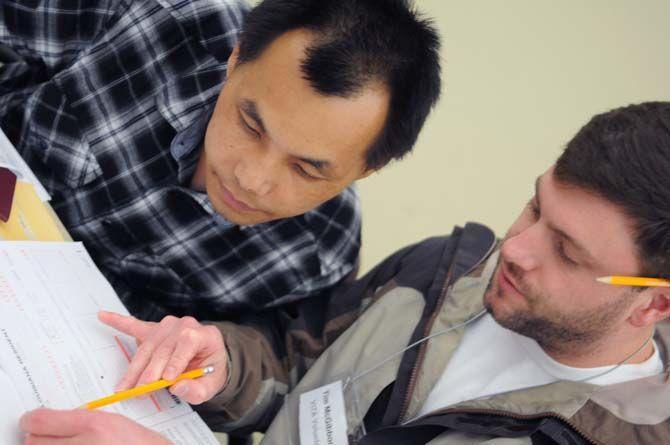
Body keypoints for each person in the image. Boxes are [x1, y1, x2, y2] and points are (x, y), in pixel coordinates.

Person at [24, 102, 670, 443]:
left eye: (568, 252)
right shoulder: (440, 270)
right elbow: (293, 360)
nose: (519, 248)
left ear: (654, 304)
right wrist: (221, 360)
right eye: (534, 205)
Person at [0, 0, 441, 321]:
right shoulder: (148, 14)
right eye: (250, 125)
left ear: (369, 169)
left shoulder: (318, 261)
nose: (251, 179)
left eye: (305, 169)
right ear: (236, 55)